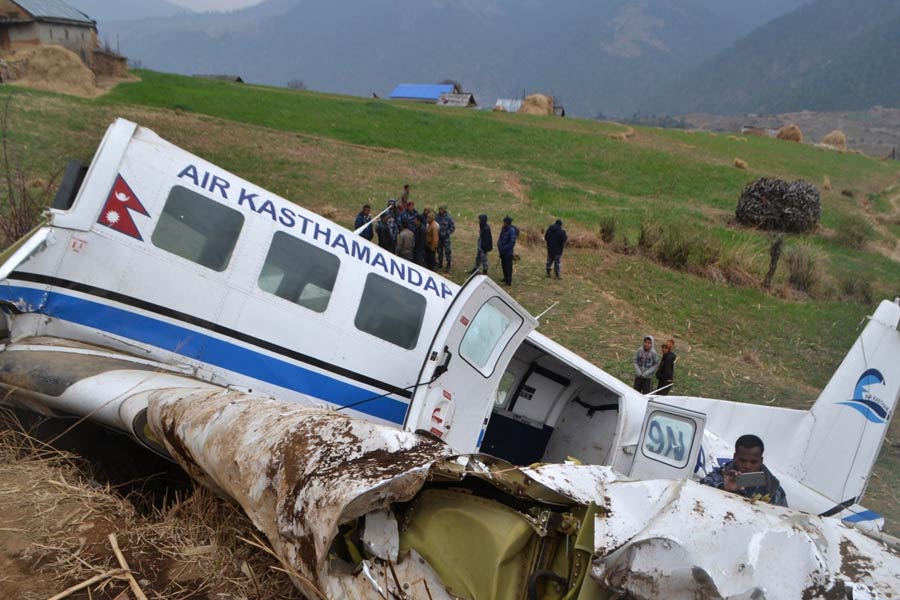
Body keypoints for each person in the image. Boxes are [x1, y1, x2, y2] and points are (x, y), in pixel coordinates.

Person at [700, 435, 788, 507]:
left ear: (761, 461)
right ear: (735, 457)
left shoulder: (772, 488)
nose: (747, 466)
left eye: (753, 462)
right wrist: (723, 488)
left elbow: (784, 518)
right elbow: (698, 494)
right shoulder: (719, 476)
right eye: (742, 460)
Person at [497, 216, 519, 285]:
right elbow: (500, 237)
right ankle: (505, 277)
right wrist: (499, 244)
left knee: (508, 266)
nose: (503, 224)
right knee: (503, 265)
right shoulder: (503, 229)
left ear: (507, 223)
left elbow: (512, 242)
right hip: (502, 251)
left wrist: (505, 248)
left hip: (508, 252)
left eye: (504, 223)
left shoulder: (512, 231)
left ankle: (508, 280)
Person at [435, 205, 456, 273]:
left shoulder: (448, 217)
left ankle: (448, 264)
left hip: (446, 238)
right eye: (439, 209)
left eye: (441, 209)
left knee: (447, 251)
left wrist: (447, 233)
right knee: (439, 251)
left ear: (444, 210)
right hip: (439, 237)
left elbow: (452, 227)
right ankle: (440, 263)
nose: (440, 211)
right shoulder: (437, 217)